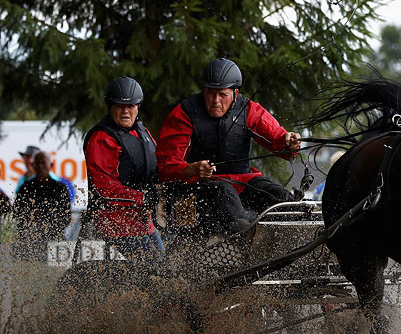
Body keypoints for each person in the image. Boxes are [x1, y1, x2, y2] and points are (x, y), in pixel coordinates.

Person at [156, 58, 301, 235]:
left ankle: (300, 233)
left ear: (235, 93)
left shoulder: (249, 109)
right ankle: (246, 236)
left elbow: (278, 139)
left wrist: (290, 143)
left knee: (278, 196)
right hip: (199, 189)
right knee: (224, 191)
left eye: (222, 95)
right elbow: (165, 167)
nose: (216, 100)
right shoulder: (184, 114)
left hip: (243, 182)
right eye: (210, 93)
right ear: (203, 91)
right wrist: (191, 169)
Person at [83, 76, 164, 260]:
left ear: (138, 107)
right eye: (120, 106)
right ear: (110, 107)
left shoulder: (142, 132)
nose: (126, 111)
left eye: (131, 106)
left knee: (164, 267)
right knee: (156, 270)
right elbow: (104, 188)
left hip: (144, 221)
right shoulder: (102, 138)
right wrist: (142, 198)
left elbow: (156, 168)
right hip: (116, 224)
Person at [13, 151, 70, 260]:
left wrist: (46, 223)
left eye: (43, 163)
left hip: (55, 242)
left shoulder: (60, 188)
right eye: (37, 164)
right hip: (29, 244)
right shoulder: (25, 188)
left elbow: (66, 217)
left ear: (51, 165)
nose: (40, 166)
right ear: (33, 166)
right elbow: (17, 213)